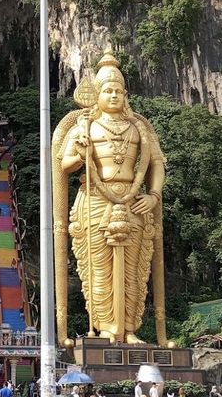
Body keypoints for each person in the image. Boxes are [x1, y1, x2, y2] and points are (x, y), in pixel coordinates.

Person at [53, 51, 168, 345]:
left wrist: (153, 196)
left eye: (118, 90)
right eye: (107, 90)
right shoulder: (84, 126)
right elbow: (63, 165)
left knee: (133, 268)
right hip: (94, 199)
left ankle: (129, 329)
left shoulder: (138, 127)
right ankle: (105, 327)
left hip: (134, 200)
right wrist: (80, 152)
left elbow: (156, 164)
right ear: (96, 95)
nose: (113, 95)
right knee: (99, 269)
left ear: (126, 94)